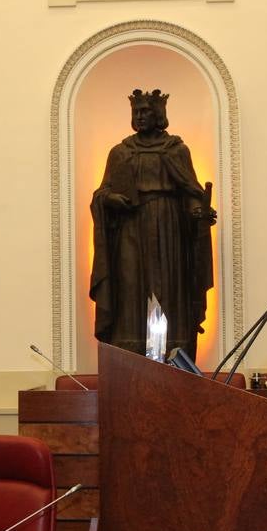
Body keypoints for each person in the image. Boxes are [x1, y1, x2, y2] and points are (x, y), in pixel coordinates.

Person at [89, 88, 216, 358]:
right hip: (130, 230)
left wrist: (198, 212)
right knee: (130, 287)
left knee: (170, 288)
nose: (140, 116)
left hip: (169, 228)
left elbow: (190, 192)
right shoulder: (120, 152)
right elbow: (102, 194)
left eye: (145, 111)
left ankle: (173, 355)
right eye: (136, 112)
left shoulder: (177, 150)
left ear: (159, 114)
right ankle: (129, 355)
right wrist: (110, 199)